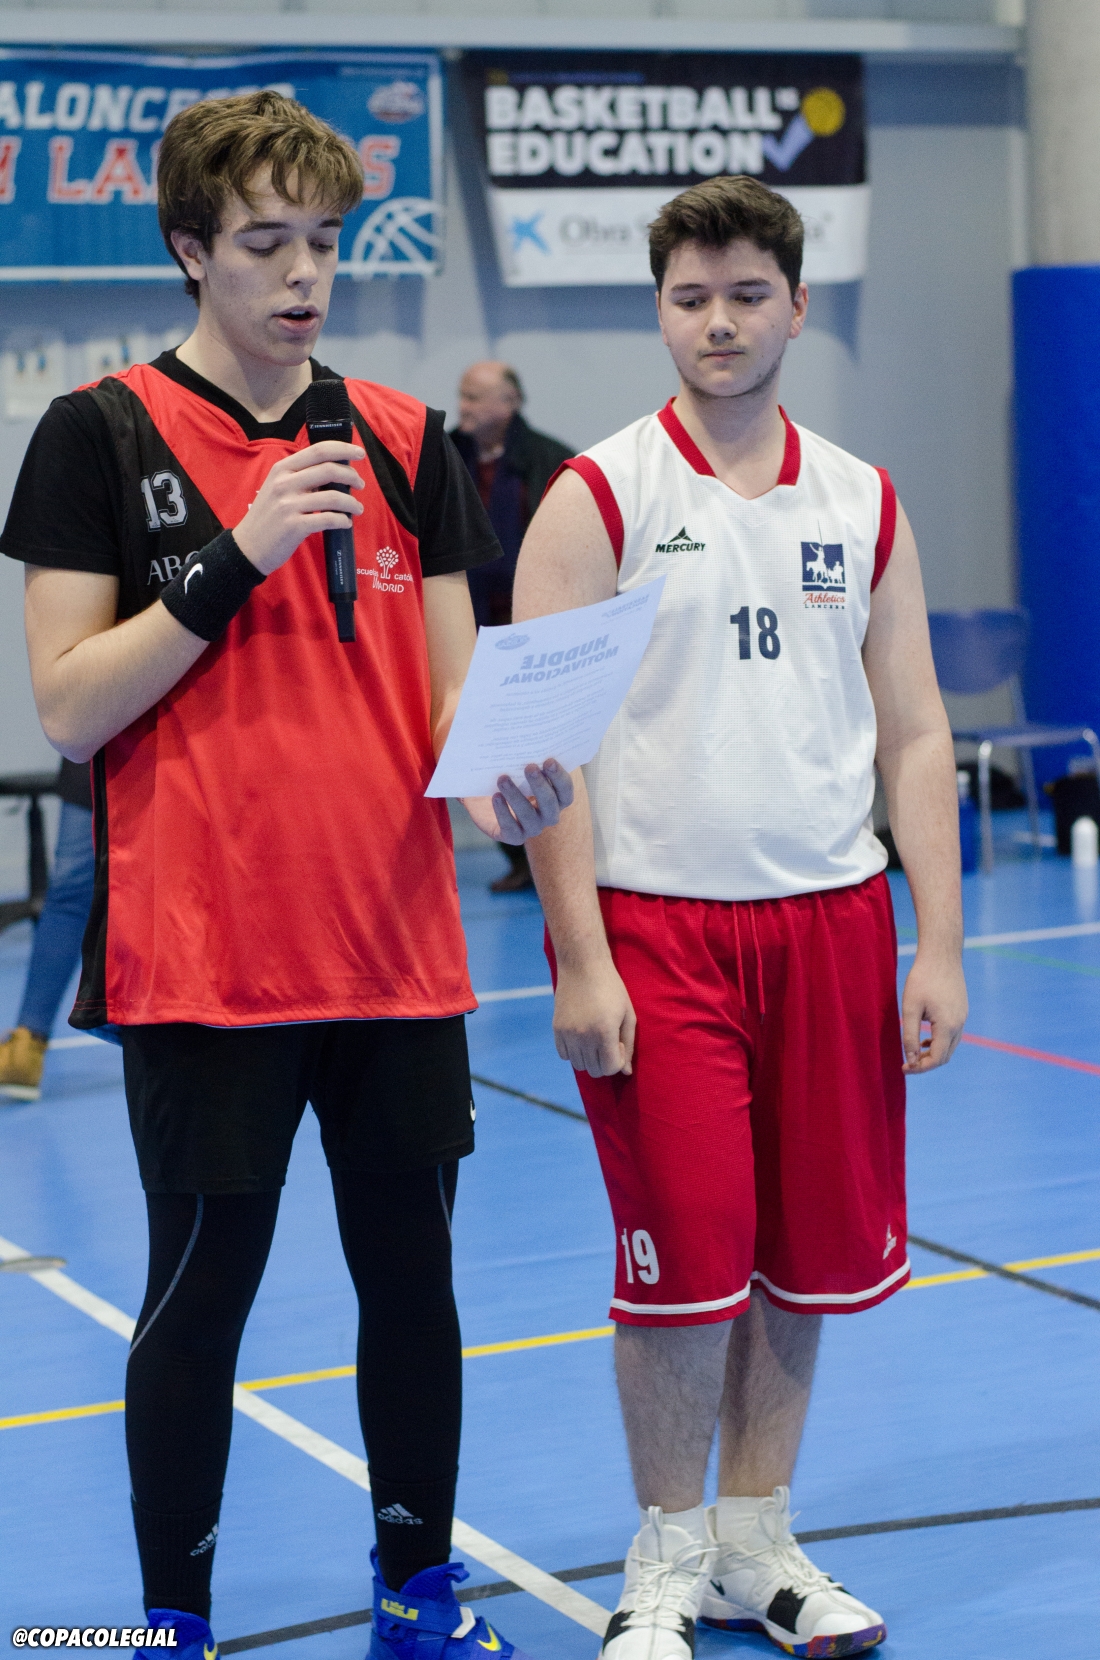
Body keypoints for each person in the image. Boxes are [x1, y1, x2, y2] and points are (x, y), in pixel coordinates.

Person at [2, 91, 573, 1660]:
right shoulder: (100, 432)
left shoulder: (403, 438)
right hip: (205, 961)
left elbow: (452, 711)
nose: (304, 273)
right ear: (191, 249)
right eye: (266, 243)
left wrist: (510, 779)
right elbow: (69, 704)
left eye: (324, 241)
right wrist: (235, 554)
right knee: (199, 1298)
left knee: (415, 1290)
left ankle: (417, 1592)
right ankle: (171, 1623)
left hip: (396, 952)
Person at [515, 175, 968, 1660]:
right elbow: (542, 746)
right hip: (656, 934)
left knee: (802, 1258)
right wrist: (581, 956)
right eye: (690, 298)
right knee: (685, 1262)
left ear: (796, 305)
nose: (717, 322)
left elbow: (915, 731)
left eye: (745, 295)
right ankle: (662, 1556)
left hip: (830, 923)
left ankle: (755, 1540)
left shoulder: (863, 498)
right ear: (659, 311)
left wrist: (938, 940)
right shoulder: (598, 497)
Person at [450, 361, 573, 892]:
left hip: (528, 633)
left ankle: (550, 860)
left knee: (537, 753)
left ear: (511, 402)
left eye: (476, 397)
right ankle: (515, 852)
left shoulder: (550, 461)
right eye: (463, 396)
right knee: (482, 750)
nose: (464, 407)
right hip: (462, 628)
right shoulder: (442, 456)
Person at [0, 758, 95, 1100]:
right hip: (107, 753)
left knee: (70, 896)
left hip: (103, 746)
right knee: (70, 895)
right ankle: (26, 1048)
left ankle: (26, 1046)